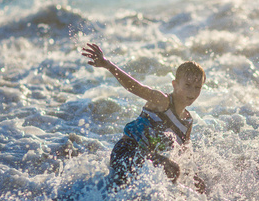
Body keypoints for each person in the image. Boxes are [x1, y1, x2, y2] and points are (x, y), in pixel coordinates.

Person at [82, 43, 205, 193]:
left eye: (197, 87)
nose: (192, 91)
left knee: (194, 182)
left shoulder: (187, 122)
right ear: (174, 84)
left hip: (147, 160)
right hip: (126, 152)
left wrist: (193, 176)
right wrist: (108, 65)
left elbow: (184, 154)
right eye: (187, 85)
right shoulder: (162, 101)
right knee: (170, 167)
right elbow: (134, 87)